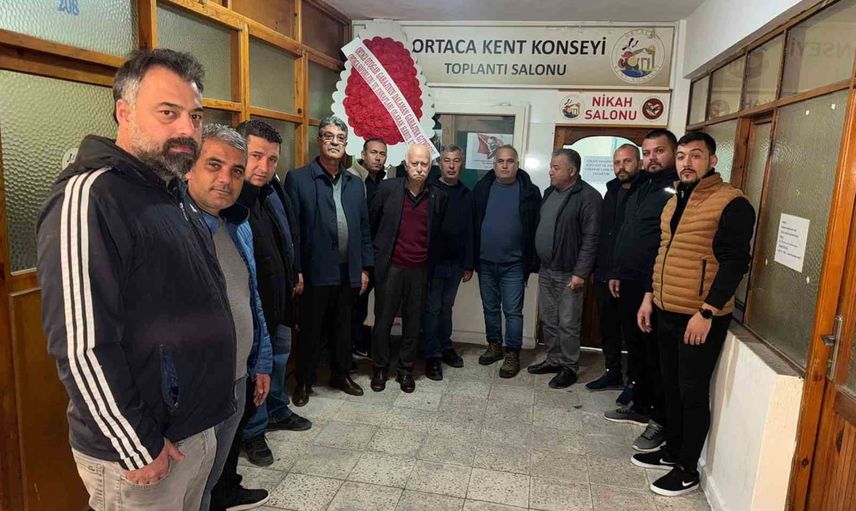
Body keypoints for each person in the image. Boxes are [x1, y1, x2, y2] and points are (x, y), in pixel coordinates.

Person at [36, 49, 232, 510]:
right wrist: (137, 443)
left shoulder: (170, 191)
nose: (187, 129)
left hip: (192, 430)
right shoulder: (91, 197)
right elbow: (81, 346)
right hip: (143, 449)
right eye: (168, 113)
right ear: (124, 113)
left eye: (195, 116)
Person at [633, 132, 754, 497]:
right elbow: (663, 252)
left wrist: (707, 311)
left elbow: (735, 264)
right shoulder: (675, 199)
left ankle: (687, 469)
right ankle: (672, 450)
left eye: (696, 156)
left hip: (699, 316)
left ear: (712, 161)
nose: (687, 162)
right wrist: (649, 297)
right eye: (682, 156)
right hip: (666, 308)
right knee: (670, 386)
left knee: (691, 392)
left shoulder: (731, 202)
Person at [186, 124, 272, 511]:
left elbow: (250, 299)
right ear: (188, 167)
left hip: (237, 378)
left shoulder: (237, 223)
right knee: (187, 487)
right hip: (196, 389)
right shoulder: (173, 229)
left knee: (210, 481)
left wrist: (261, 362)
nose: (226, 179)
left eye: (236, 170)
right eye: (214, 165)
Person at [234, 120, 312, 469]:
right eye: (256, 156)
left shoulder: (272, 189)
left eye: (271, 159)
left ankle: (277, 409)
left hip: (281, 296)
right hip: (252, 306)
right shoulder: (231, 198)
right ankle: (253, 432)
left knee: (279, 359)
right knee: (256, 370)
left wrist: (296, 270)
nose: (263, 167)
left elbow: (288, 230)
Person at [285, 115, 373, 406]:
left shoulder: (355, 183)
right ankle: (304, 381)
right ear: (319, 140)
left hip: (348, 271)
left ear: (346, 144)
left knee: (344, 327)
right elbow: (293, 231)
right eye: (329, 136)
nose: (335, 142)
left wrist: (364, 268)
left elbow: (363, 229)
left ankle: (340, 374)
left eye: (340, 138)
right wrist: (297, 269)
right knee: (311, 329)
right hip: (314, 271)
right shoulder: (298, 179)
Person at [605, 129, 679, 454]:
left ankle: (659, 421)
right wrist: (617, 271)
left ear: (673, 153)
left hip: (654, 289)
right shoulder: (643, 187)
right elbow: (628, 232)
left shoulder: (675, 190)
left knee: (654, 356)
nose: (652, 158)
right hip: (630, 281)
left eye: (658, 151)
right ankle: (639, 404)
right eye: (647, 152)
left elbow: (665, 246)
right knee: (635, 348)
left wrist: (649, 291)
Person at [369, 144, 448, 392]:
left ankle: (405, 370)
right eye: (415, 163)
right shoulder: (387, 189)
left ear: (430, 167)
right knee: (383, 321)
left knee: (413, 323)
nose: (419, 168)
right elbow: (372, 224)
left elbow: (437, 235)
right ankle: (379, 368)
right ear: (405, 165)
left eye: (424, 164)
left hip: (420, 269)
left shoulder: (438, 197)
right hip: (391, 267)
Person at [527, 149, 601, 388]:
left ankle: (569, 366)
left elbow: (591, 238)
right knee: (549, 320)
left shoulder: (588, 196)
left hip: (570, 273)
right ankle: (554, 359)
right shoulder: (550, 192)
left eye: (555, 167)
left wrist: (581, 273)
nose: (550, 171)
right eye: (551, 166)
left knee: (568, 323)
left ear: (572, 171)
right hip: (547, 269)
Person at [472, 145, 541, 378]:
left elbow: (535, 227)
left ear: (517, 165)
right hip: (485, 262)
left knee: (513, 312)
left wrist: (533, 261)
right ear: (494, 165)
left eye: (510, 161)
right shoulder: (482, 188)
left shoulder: (530, 192)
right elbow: (472, 222)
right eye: (500, 161)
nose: (505, 165)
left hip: (514, 264)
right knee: (490, 308)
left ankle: (512, 353)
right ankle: (494, 346)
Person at [586, 144, 642, 391]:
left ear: (639, 163)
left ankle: (635, 381)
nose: (621, 167)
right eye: (617, 162)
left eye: (627, 161)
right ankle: (612, 372)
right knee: (607, 327)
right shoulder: (611, 191)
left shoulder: (645, 192)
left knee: (633, 331)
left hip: (630, 277)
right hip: (604, 273)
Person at [421, 145, 473, 380]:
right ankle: (432, 354)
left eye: (456, 160)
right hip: (432, 264)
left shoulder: (467, 195)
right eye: (447, 161)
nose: (451, 166)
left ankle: (445, 346)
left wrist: (468, 263)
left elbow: (471, 231)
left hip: (456, 264)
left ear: (462, 164)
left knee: (446, 308)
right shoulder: (429, 190)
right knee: (432, 309)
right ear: (439, 164)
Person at [348, 138, 392, 358]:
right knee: (352, 302)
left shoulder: (386, 181)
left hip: (378, 253)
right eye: (373, 152)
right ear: (363, 154)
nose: (377, 158)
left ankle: (359, 344)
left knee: (366, 302)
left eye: (382, 154)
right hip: (355, 253)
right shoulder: (351, 178)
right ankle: (347, 349)